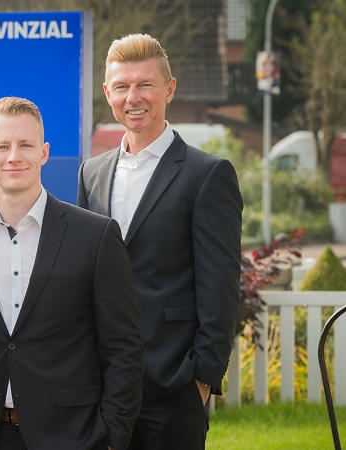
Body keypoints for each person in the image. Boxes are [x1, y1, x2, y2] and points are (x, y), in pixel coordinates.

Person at [0, 97, 144, 450]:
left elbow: (123, 347)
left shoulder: (95, 236)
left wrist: (113, 436)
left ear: (44, 152)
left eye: (25, 145)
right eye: (1, 146)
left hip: (72, 435)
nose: (14, 156)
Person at [77, 34, 243, 450]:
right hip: (101, 384)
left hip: (174, 387)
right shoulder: (91, 173)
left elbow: (220, 286)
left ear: (169, 89)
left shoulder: (208, 174)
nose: (133, 97)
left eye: (145, 85)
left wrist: (201, 381)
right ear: (107, 93)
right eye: (122, 86)